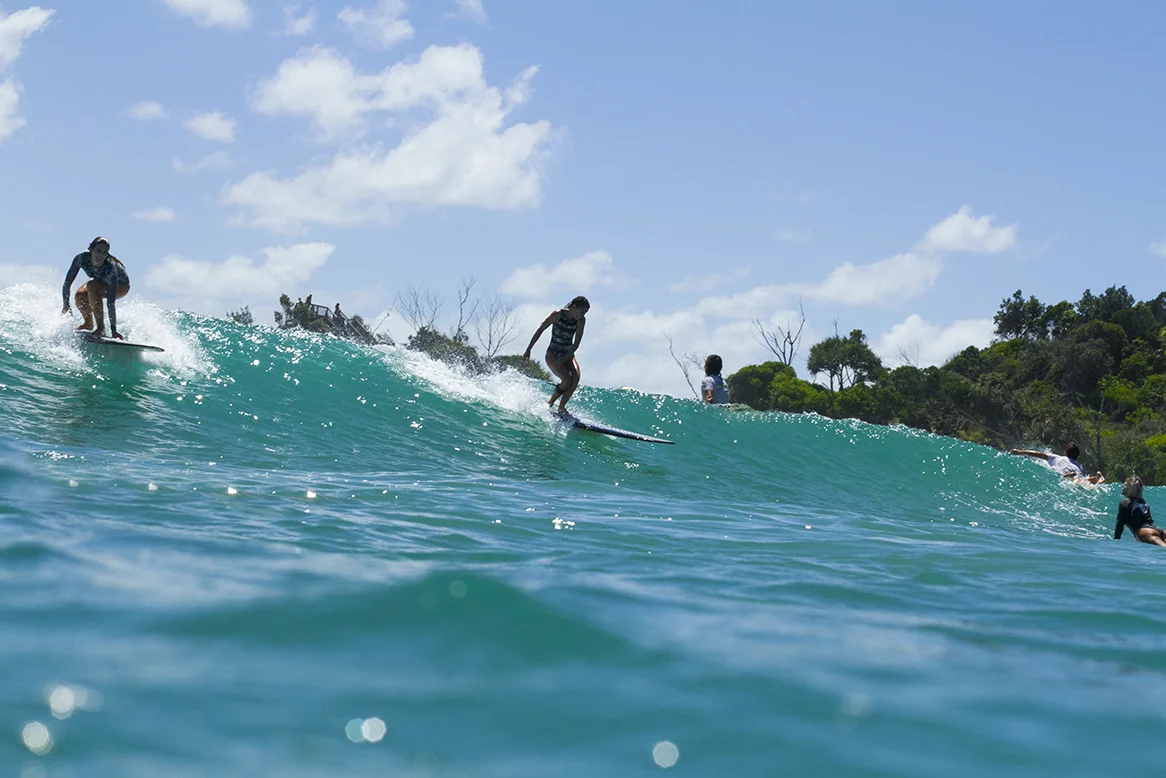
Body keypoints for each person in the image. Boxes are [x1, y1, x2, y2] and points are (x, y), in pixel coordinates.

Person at [523, 296, 590, 415]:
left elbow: (576, 344)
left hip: (568, 354)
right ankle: (549, 403)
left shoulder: (580, 321)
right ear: (574, 307)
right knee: (566, 380)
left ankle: (561, 408)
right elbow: (540, 330)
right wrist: (528, 349)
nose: (582, 315)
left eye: (585, 313)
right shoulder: (557, 315)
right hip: (552, 354)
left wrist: (564, 359)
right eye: (581, 312)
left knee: (575, 379)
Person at [61, 236, 130, 339]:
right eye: (98, 250)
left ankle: (101, 328)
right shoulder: (81, 258)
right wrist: (66, 305)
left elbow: (110, 303)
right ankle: (88, 324)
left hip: (121, 286)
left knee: (91, 285)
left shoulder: (110, 268)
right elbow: (67, 283)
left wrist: (113, 330)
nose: (101, 255)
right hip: (100, 283)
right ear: (91, 250)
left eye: (104, 252)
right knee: (80, 295)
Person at [1008, 442, 1105, 484]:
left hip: (1066, 472)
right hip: (1076, 473)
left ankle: (1070, 475)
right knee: (1082, 481)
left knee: (1070, 478)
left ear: (1065, 452)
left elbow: (1038, 454)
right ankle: (1097, 476)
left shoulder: (1056, 457)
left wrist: (1020, 452)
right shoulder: (1079, 465)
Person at [1114, 475, 1162, 546]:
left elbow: (1120, 525)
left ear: (1131, 487)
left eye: (1126, 485)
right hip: (1158, 530)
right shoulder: (1142, 501)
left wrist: (1116, 542)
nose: (1123, 487)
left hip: (1144, 532)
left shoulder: (1125, 502)